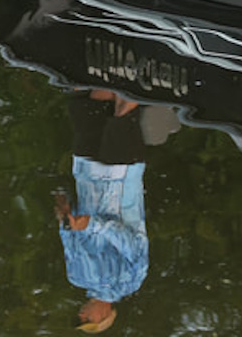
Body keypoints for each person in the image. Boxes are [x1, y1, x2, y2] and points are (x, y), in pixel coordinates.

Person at [54, 91, 151, 333]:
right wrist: (92, 224)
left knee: (84, 106)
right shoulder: (129, 283)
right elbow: (133, 243)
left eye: (80, 319)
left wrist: (64, 213)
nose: (81, 314)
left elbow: (70, 239)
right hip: (120, 181)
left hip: (87, 176)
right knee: (123, 112)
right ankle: (130, 74)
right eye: (88, 319)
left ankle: (98, 73)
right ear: (105, 315)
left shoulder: (75, 277)